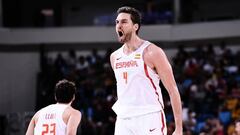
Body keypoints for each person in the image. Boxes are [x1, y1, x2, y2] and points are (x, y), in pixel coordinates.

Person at [110, 6, 182, 135]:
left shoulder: (152, 52)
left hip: (149, 116)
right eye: (117, 22)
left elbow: (173, 90)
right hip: (123, 119)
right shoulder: (114, 57)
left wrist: (179, 128)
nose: (118, 25)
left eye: (124, 22)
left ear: (135, 27)